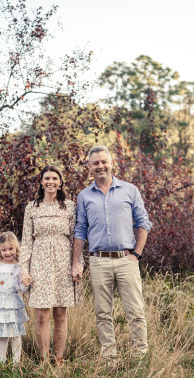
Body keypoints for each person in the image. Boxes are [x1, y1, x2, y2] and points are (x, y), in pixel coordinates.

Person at [71, 146, 152, 361]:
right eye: (95, 163)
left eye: (104, 162)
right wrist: (76, 262)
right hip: (99, 261)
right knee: (103, 314)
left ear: (111, 163)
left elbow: (143, 222)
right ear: (89, 167)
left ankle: (140, 358)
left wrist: (137, 254)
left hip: (126, 260)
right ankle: (109, 359)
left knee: (135, 312)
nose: (101, 166)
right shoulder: (84, 196)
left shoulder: (129, 190)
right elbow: (80, 230)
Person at [20, 165, 83, 364]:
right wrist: (24, 269)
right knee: (42, 314)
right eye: (47, 178)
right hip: (40, 263)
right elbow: (26, 241)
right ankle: (44, 360)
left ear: (60, 182)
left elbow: (76, 238)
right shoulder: (32, 207)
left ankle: (59, 359)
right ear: (41, 182)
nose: (51, 182)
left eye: (55, 178)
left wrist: (77, 265)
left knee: (60, 313)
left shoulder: (69, 207)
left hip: (63, 261)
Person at [0, 231, 30, 365]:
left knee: (16, 335)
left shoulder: (18, 267)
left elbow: (22, 289)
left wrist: (26, 284)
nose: (7, 252)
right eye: (4, 250)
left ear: (16, 248)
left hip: (14, 304)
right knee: (2, 335)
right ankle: (1, 363)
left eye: (11, 249)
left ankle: (16, 364)